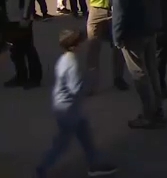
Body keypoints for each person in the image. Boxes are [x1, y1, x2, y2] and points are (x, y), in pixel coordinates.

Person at [35, 29, 118, 178]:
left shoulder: (64, 59)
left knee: (85, 137)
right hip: (68, 110)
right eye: (80, 42)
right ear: (75, 45)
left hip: (67, 108)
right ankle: (42, 169)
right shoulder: (72, 62)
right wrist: (89, 77)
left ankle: (95, 164)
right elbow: (76, 89)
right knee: (62, 144)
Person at [108, 0, 165, 129]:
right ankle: (157, 108)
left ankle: (148, 113)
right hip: (150, 26)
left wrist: (117, 35)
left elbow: (120, 7)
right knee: (152, 70)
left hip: (133, 30)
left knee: (139, 73)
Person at [1, 0, 42, 88]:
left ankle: (35, 77)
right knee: (15, 50)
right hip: (8, 18)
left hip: (21, 18)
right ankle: (21, 75)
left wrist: (26, 16)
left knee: (27, 48)